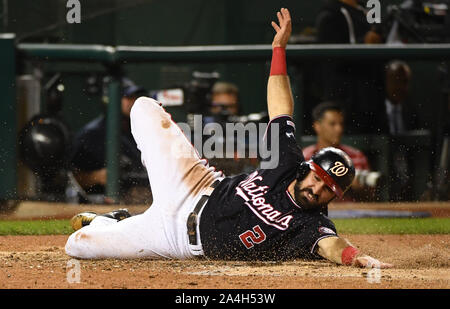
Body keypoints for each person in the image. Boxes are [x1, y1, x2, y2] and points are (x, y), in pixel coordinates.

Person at [65, 8, 392, 269]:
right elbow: (280, 107)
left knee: (77, 245)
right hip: (195, 185)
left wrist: (355, 258)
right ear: (308, 167)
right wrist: (278, 50)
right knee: (143, 108)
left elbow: (332, 246)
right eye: (319, 178)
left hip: (175, 240)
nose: (318, 189)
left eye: (329, 190)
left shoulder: (310, 225)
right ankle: (129, 209)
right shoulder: (288, 162)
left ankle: (114, 221)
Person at [69, 82, 151, 204]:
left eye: (136, 98)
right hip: (94, 203)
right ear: (111, 100)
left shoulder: (140, 131)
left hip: (135, 201)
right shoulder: (91, 134)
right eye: (128, 97)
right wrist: (95, 176)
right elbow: (70, 178)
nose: (133, 102)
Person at [315, 0, 385, 134]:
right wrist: (363, 43)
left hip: (373, 101)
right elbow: (332, 59)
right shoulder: (330, 14)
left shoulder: (367, 10)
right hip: (348, 105)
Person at [303, 102, 375, 202]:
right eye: (332, 124)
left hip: (352, 214)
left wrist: (357, 186)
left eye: (341, 124)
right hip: (315, 213)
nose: (339, 129)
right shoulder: (304, 157)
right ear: (317, 126)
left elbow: (372, 196)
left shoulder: (357, 156)